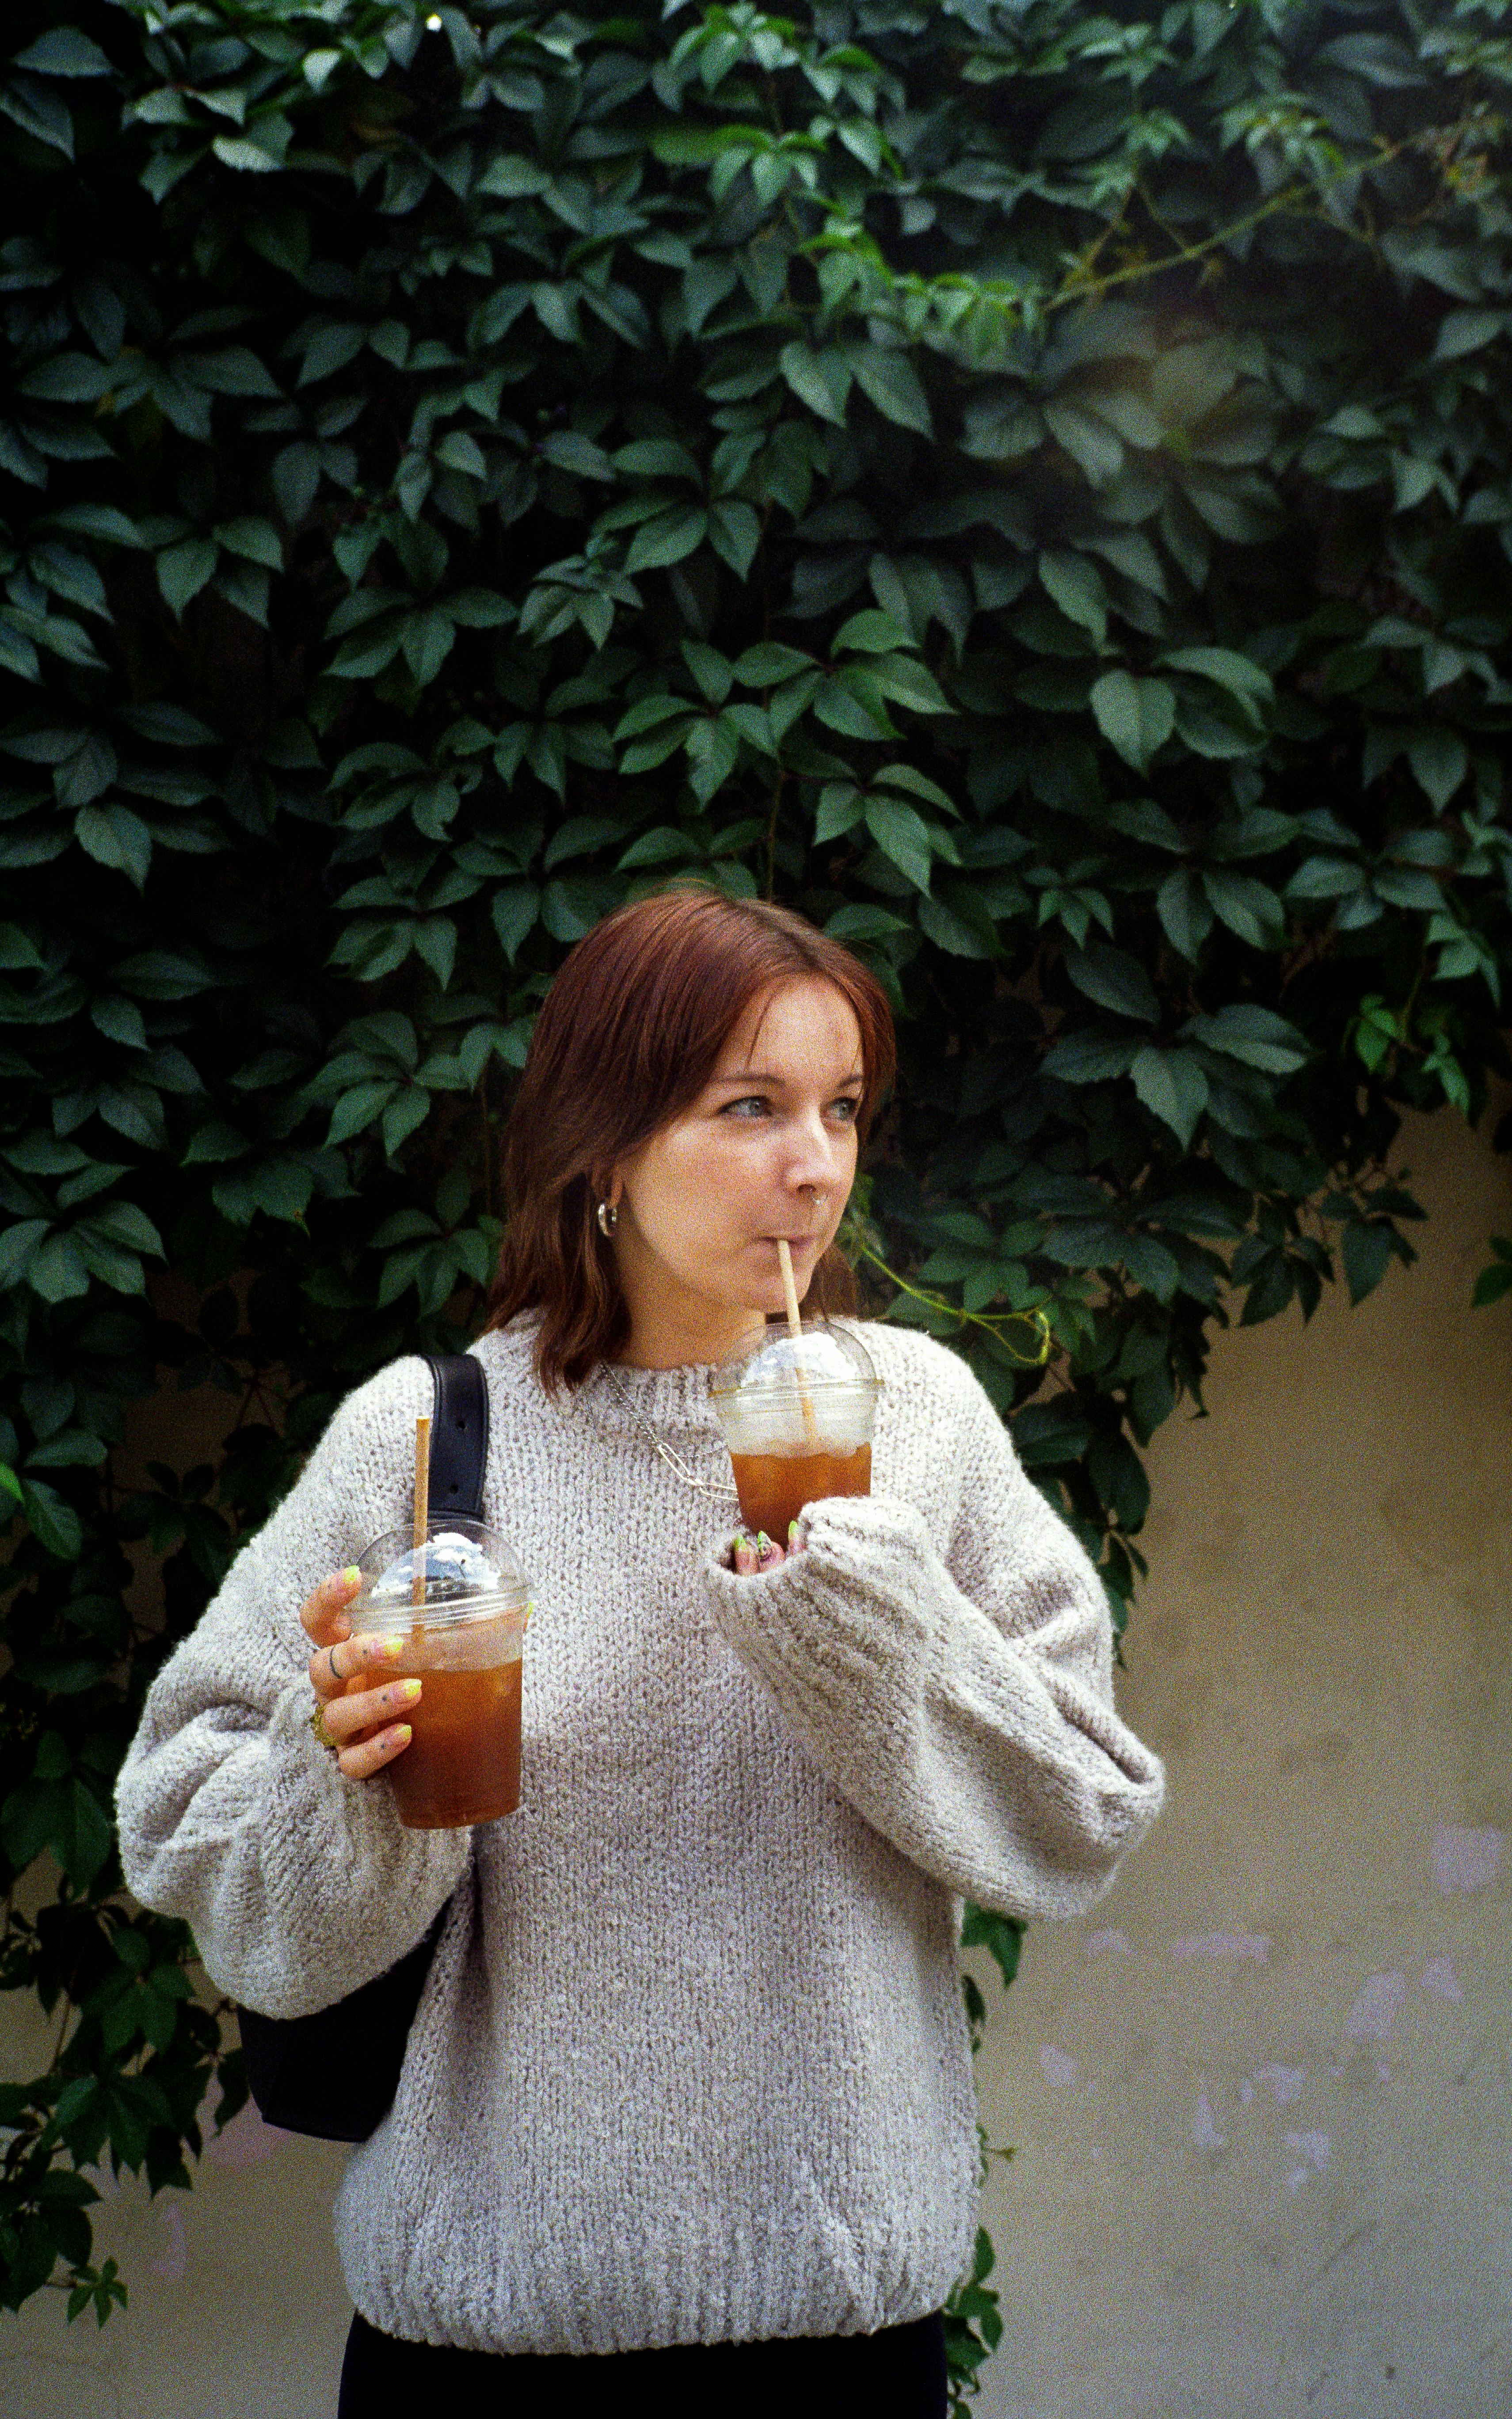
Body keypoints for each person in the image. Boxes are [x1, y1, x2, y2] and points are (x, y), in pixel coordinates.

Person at [116, 888, 1165, 2417]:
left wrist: (874, 1630)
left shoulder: (918, 1418)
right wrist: (332, 1759)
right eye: (752, 1107)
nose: (815, 1164)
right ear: (605, 1140)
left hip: (841, 2346)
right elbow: (186, 1827)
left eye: (842, 1108)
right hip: (479, 2351)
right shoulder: (421, 1437)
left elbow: (1081, 1818)